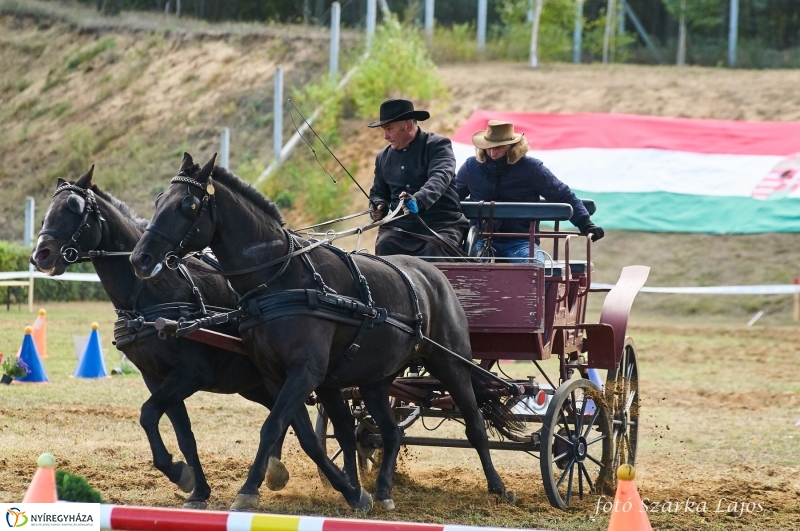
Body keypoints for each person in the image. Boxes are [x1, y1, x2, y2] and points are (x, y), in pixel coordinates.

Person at [455, 120, 604, 262]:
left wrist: (585, 224)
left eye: (498, 147)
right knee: (465, 270)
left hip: (521, 241)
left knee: (533, 269)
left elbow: (561, 194)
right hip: (481, 239)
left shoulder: (531, 169)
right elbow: (452, 196)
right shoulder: (471, 167)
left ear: (512, 146)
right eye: (489, 147)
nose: (492, 152)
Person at [368, 99, 468, 259]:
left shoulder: (438, 145)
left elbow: (440, 177)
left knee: (434, 250)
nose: (385, 136)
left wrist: (419, 200)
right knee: (385, 244)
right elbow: (378, 192)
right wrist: (378, 206)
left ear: (407, 126)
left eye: (389, 129)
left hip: (441, 224)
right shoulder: (383, 157)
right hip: (400, 228)